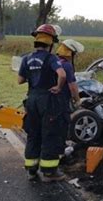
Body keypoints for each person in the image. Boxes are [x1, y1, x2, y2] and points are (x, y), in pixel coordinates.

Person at [18, 24, 67, 182]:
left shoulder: (27, 58)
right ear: (50, 43)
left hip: (31, 99)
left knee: (33, 134)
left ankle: (31, 170)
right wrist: (58, 87)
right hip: (47, 100)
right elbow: (62, 74)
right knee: (49, 134)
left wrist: (32, 75)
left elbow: (20, 80)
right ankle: (49, 172)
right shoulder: (51, 58)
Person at [56, 39, 84, 154]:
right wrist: (78, 101)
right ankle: (61, 152)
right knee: (62, 126)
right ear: (70, 53)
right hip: (61, 100)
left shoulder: (55, 61)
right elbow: (72, 86)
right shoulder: (67, 65)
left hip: (49, 100)